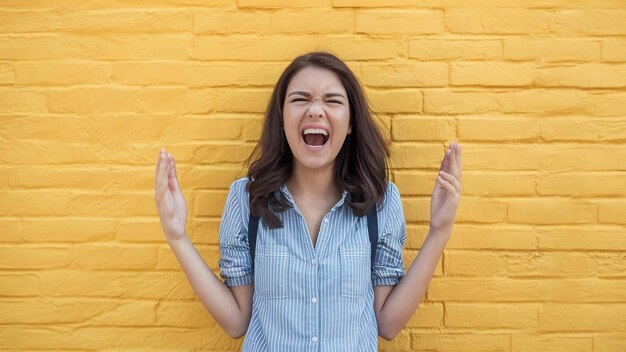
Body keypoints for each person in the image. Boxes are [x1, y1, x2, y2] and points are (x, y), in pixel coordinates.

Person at [154, 51, 462, 351]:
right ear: (283, 119)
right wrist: (177, 236)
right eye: (300, 99)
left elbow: (388, 324)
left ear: (351, 122)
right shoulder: (247, 200)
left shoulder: (381, 203)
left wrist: (439, 231)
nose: (315, 110)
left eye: (332, 101)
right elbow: (237, 321)